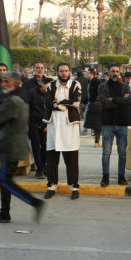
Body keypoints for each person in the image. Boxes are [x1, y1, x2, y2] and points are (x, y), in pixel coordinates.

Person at [0, 72, 44, 223]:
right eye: (3, 81)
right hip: (13, 144)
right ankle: (4, 213)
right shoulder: (21, 97)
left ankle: (35, 202)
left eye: (6, 81)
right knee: (6, 180)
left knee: (5, 181)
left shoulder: (13, 101)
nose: (3, 84)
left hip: (10, 146)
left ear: (15, 83)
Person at [43, 63, 82, 200]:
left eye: (66, 71)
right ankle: (51, 186)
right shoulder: (51, 86)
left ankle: (74, 187)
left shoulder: (75, 85)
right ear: (57, 72)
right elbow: (47, 103)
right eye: (61, 71)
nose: (64, 73)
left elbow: (75, 102)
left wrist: (57, 103)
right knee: (52, 159)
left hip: (69, 126)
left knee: (71, 159)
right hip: (54, 126)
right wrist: (57, 104)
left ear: (70, 71)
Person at [98, 64, 131, 187]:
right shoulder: (102, 86)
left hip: (122, 124)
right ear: (109, 73)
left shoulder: (125, 86)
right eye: (113, 71)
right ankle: (105, 177)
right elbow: (104, 104)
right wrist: (121, 101)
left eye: (117, 71)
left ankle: (121, 177)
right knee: (106, 153)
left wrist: (112, 99)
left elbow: (129, 102)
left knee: (122, 152)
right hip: (107, 123)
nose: (115, 73)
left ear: (120, 73)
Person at [24, 62, 53, 179]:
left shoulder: (50, 82)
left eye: (42, 68)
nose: (40, 70)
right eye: (37, 68)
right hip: (33, 121)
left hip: (46, 122)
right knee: (35, 146)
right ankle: (39, 168)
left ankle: (44, 166)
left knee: (46, 145)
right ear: (33, 69)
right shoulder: (28, 84)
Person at [84, 68, 102, 146]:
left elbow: (99, 92)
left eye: (87, 73)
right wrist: (84, 102)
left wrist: (96, 101)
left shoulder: (96, 81)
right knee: (90, 119)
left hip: (95, 104)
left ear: (91, 74)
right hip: (90, 103)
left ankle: (96, 139)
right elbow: (88, 93)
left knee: (95, 122)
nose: (86, 74)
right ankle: (94, 134)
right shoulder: (89, 81)